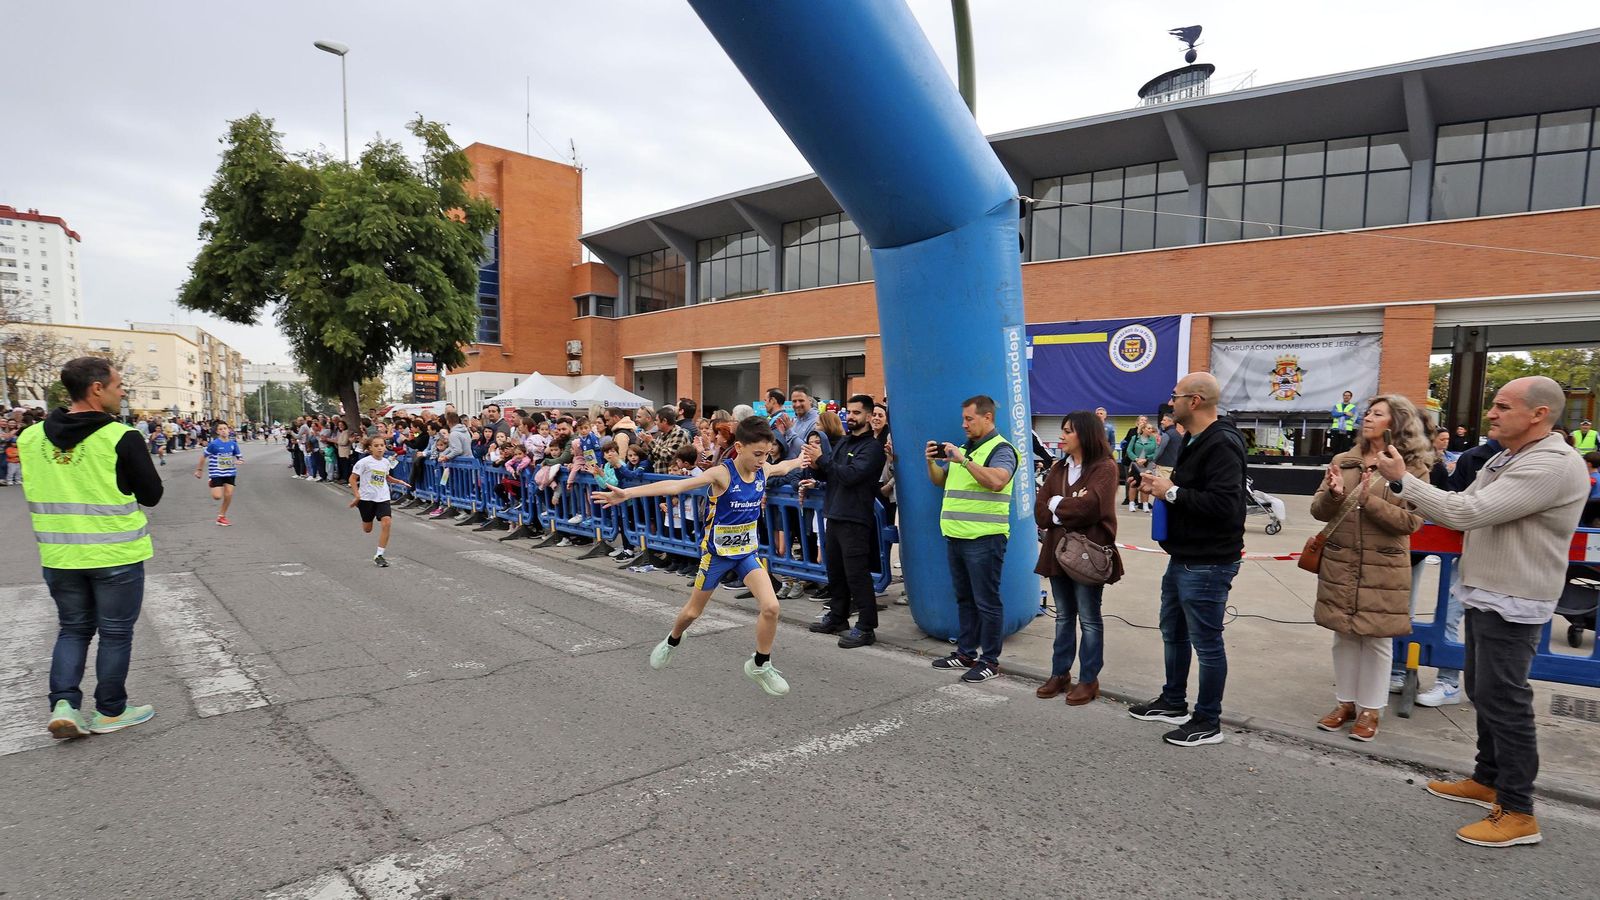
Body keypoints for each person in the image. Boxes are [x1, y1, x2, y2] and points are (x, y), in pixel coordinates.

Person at [1378, 376, 1587, 848]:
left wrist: (1403, 481)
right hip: (1489, 589)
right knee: (1483, 689)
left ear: (1538, 414)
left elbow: (1469, 513)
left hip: (1515, 596)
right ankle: (1487, 778)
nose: (1490, 414)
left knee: (1505, 700)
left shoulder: (1551, 463)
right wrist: (1410, 484)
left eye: (1501, 405)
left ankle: (1518, 810)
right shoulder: (1509, 456)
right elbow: (1459, 502)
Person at [594, 416, 819, 696]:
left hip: (746, 554)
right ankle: (673, 640)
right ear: (739, 447)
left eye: (767, 454)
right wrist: (627, 493)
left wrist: (801, 460)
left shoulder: (763, 470)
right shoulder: (722, 474)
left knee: (772, 608)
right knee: (691, 613)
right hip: (717, 556)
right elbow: (674, 487)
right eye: (757, 454)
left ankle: (760, 664)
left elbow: (784, 466)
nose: (763, 460)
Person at [24, 358, 164, 739]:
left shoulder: (30, 437)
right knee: (116, 634)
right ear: (97, 388)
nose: (123, 391)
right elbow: (152, 495)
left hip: (59, 556)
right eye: (118, 385)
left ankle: (64, 704)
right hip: (115, 554)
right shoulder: (121, 436)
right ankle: (110, 711)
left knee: (73, 629)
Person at [1132, 372, 1247, 747]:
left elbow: (1227, 506)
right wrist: (1160, 489)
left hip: (1209, 561)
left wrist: (1173, 492)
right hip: (1184, 555)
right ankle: (1174, 701)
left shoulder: (1223, 443)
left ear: (1195, 401)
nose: (1170, 402)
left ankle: (1207, 720)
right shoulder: (1193, 439)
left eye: (1175, 395)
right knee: (1174, 632)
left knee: (1206, 642)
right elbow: (1191, 492)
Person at [1311, 395, 1431, 742]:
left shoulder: (1412, 467)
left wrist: (1368, 500)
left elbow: (1411, 521)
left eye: (1377, 413)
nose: (1367, 418)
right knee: (1344, 635)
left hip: (1384, 566)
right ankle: (1345, 704)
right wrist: (1334, 495)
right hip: (1341, 559)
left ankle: (1370, 710)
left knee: (1376, 638)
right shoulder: (1344, 460)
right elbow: (1319, 510)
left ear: (1396, 423)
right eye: (1368, 412)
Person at [925, 394, 1017, 684]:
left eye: (969, 418)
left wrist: (963, 461)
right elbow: (940, 481)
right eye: (963, 418)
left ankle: (989, 660)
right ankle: (965, 652)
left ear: (987, 418)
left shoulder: (1001, 449)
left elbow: (997, 480)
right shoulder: (964, 448)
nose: (963, 424)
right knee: (965, 599)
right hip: (956, 535)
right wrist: (931, 463)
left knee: (987, 602)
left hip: (985, 539)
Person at [1034, 411, 1122, 706]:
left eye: (1068, 430)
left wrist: (1057, 504)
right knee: (1062, 617)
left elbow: (1092, 508)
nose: (1061, 435)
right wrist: (1063, 507)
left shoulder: (1105, 468)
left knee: (1089, 618)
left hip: (1087, 554)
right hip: (1057, 553)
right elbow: (1040, 511)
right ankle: (1060, 673)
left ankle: (1088, 679)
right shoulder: (1058, 468)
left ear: (1084, 434)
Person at [806, 394, 888, 648]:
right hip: (835, 513)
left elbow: (851, 475)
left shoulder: (872, 448)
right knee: (836, 572)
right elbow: (831, 473)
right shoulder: (843, 443)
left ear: (868, 416)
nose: (850, 417)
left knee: (857, 575)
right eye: (848, 412)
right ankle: (838, 618)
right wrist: (814, 465)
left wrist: (823, 460)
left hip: (855, 518)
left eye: (856, 413)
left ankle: (866, 627)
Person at [350, 436, 410, 567]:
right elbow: (352, 479)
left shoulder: (386, 462)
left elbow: (386, 476)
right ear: (370, 448)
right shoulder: (364, 462)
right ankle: (366, 518)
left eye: (382, 445)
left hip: (383, 497)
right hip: (366, 499)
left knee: (387, 522)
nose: (379, 448)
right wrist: (357, 495)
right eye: (376, 445)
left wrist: (398, 481)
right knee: (367, 529)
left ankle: (379, 555)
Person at [195, 421, 243, 526]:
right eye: (221, 429)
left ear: (228, 430)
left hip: (230, 472)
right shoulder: (214, 444)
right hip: (216, 472)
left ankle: (221, 516)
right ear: (217, 432)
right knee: (217, 497)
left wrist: (239, 461)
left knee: (229, 494)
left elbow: (240, 457)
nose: (223, 431)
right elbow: (203, 456)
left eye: (225, 428)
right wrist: (199, 470)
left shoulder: (233, 444)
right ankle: (211, 481)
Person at [1330, 390, 1358, 455]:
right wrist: (1345, 413)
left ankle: (1342, 462)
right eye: (1345, 395)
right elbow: (1334, 414)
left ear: (1351, 397)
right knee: (1335, 445)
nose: (1346, 397)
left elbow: (1350, 416)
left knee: (1345, 446)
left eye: (1348, 395)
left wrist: (1339, 414)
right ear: (1343, 396)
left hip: (1346, 429)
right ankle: (1334, 461)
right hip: (1336, 429)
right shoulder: (1337, 406)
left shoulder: (1353, 407)